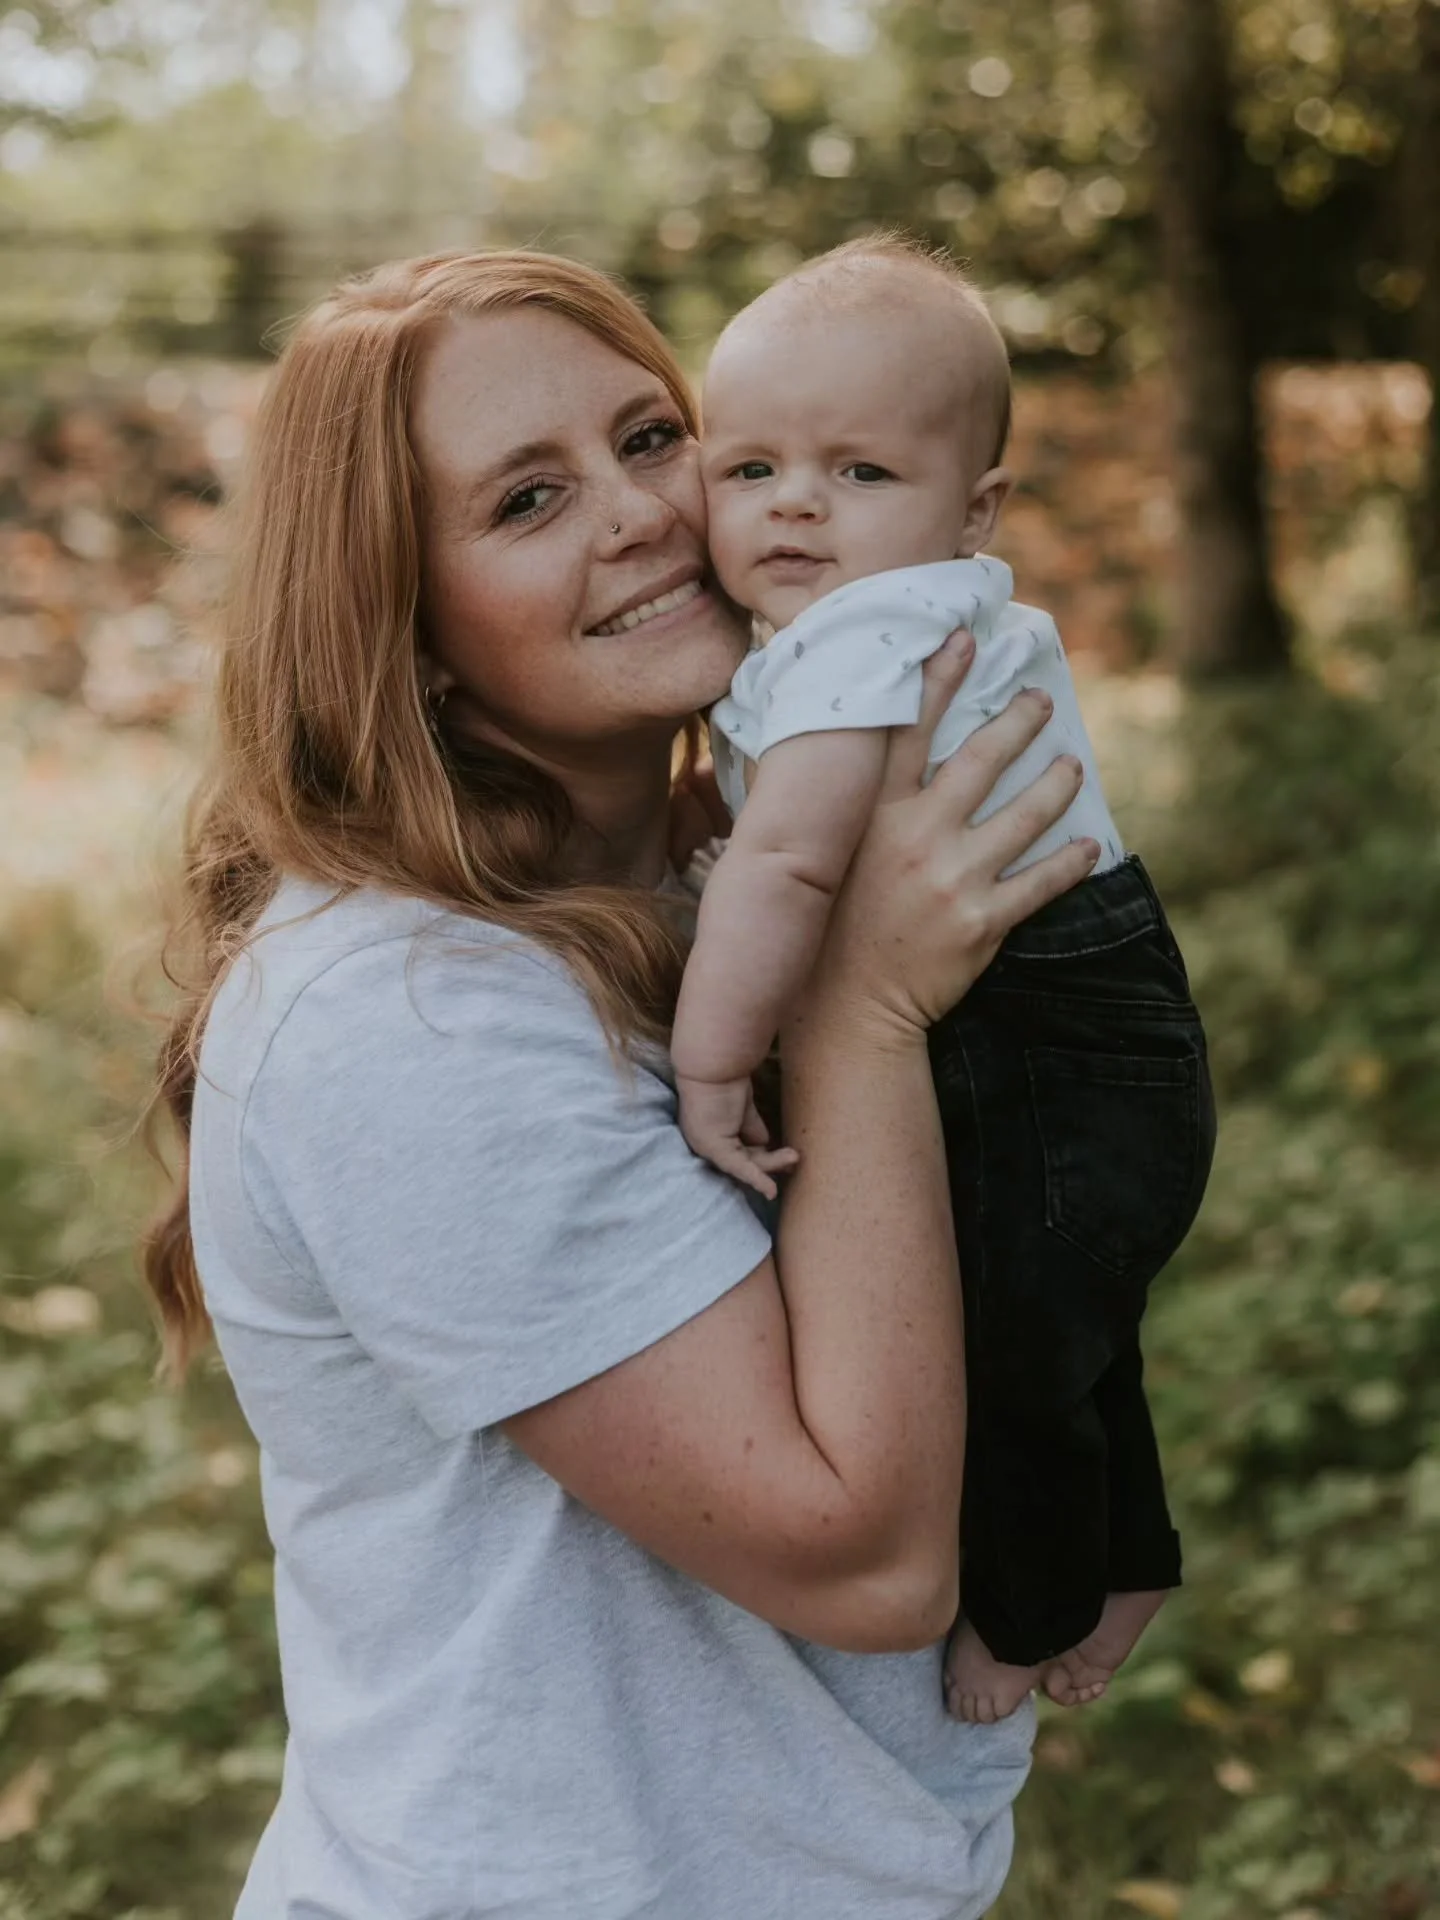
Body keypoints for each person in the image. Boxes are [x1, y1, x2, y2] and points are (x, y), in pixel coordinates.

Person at [143, 248, 1103, 1920]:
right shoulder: (409, 1015)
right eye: (527, 499)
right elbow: (863, 1557)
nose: (650, 514)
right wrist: (862, 1004)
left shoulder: (718, 868)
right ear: (405, 624)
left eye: (653, 437)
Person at [670, 236, 1216, 1724]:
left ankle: (1025, 1612)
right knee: (1059, 1299)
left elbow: (790, 866)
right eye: (751, 469)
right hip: (1075, 997)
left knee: (1010, 1332)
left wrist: (716, 1053)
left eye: (859, 476)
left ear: (973, 510)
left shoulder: (873, 628)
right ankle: (1129, 1550)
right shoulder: (871, 616)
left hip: (1042, 1017)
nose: (795, 503)